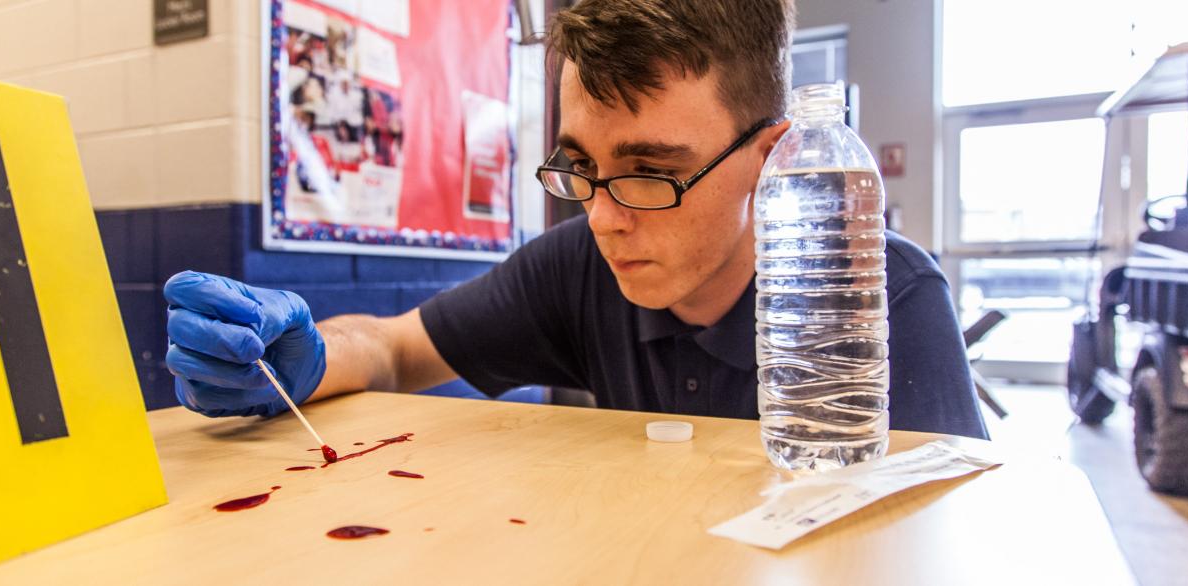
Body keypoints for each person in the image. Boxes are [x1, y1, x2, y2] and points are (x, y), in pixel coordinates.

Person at [164, 0, 988, 439]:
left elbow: (937, 545)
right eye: (581, 168)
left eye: (650, 173)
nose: (601, 217)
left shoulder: (880, 296)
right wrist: (294, 359)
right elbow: (393, 348)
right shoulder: (577, 268)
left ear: (771, 159)